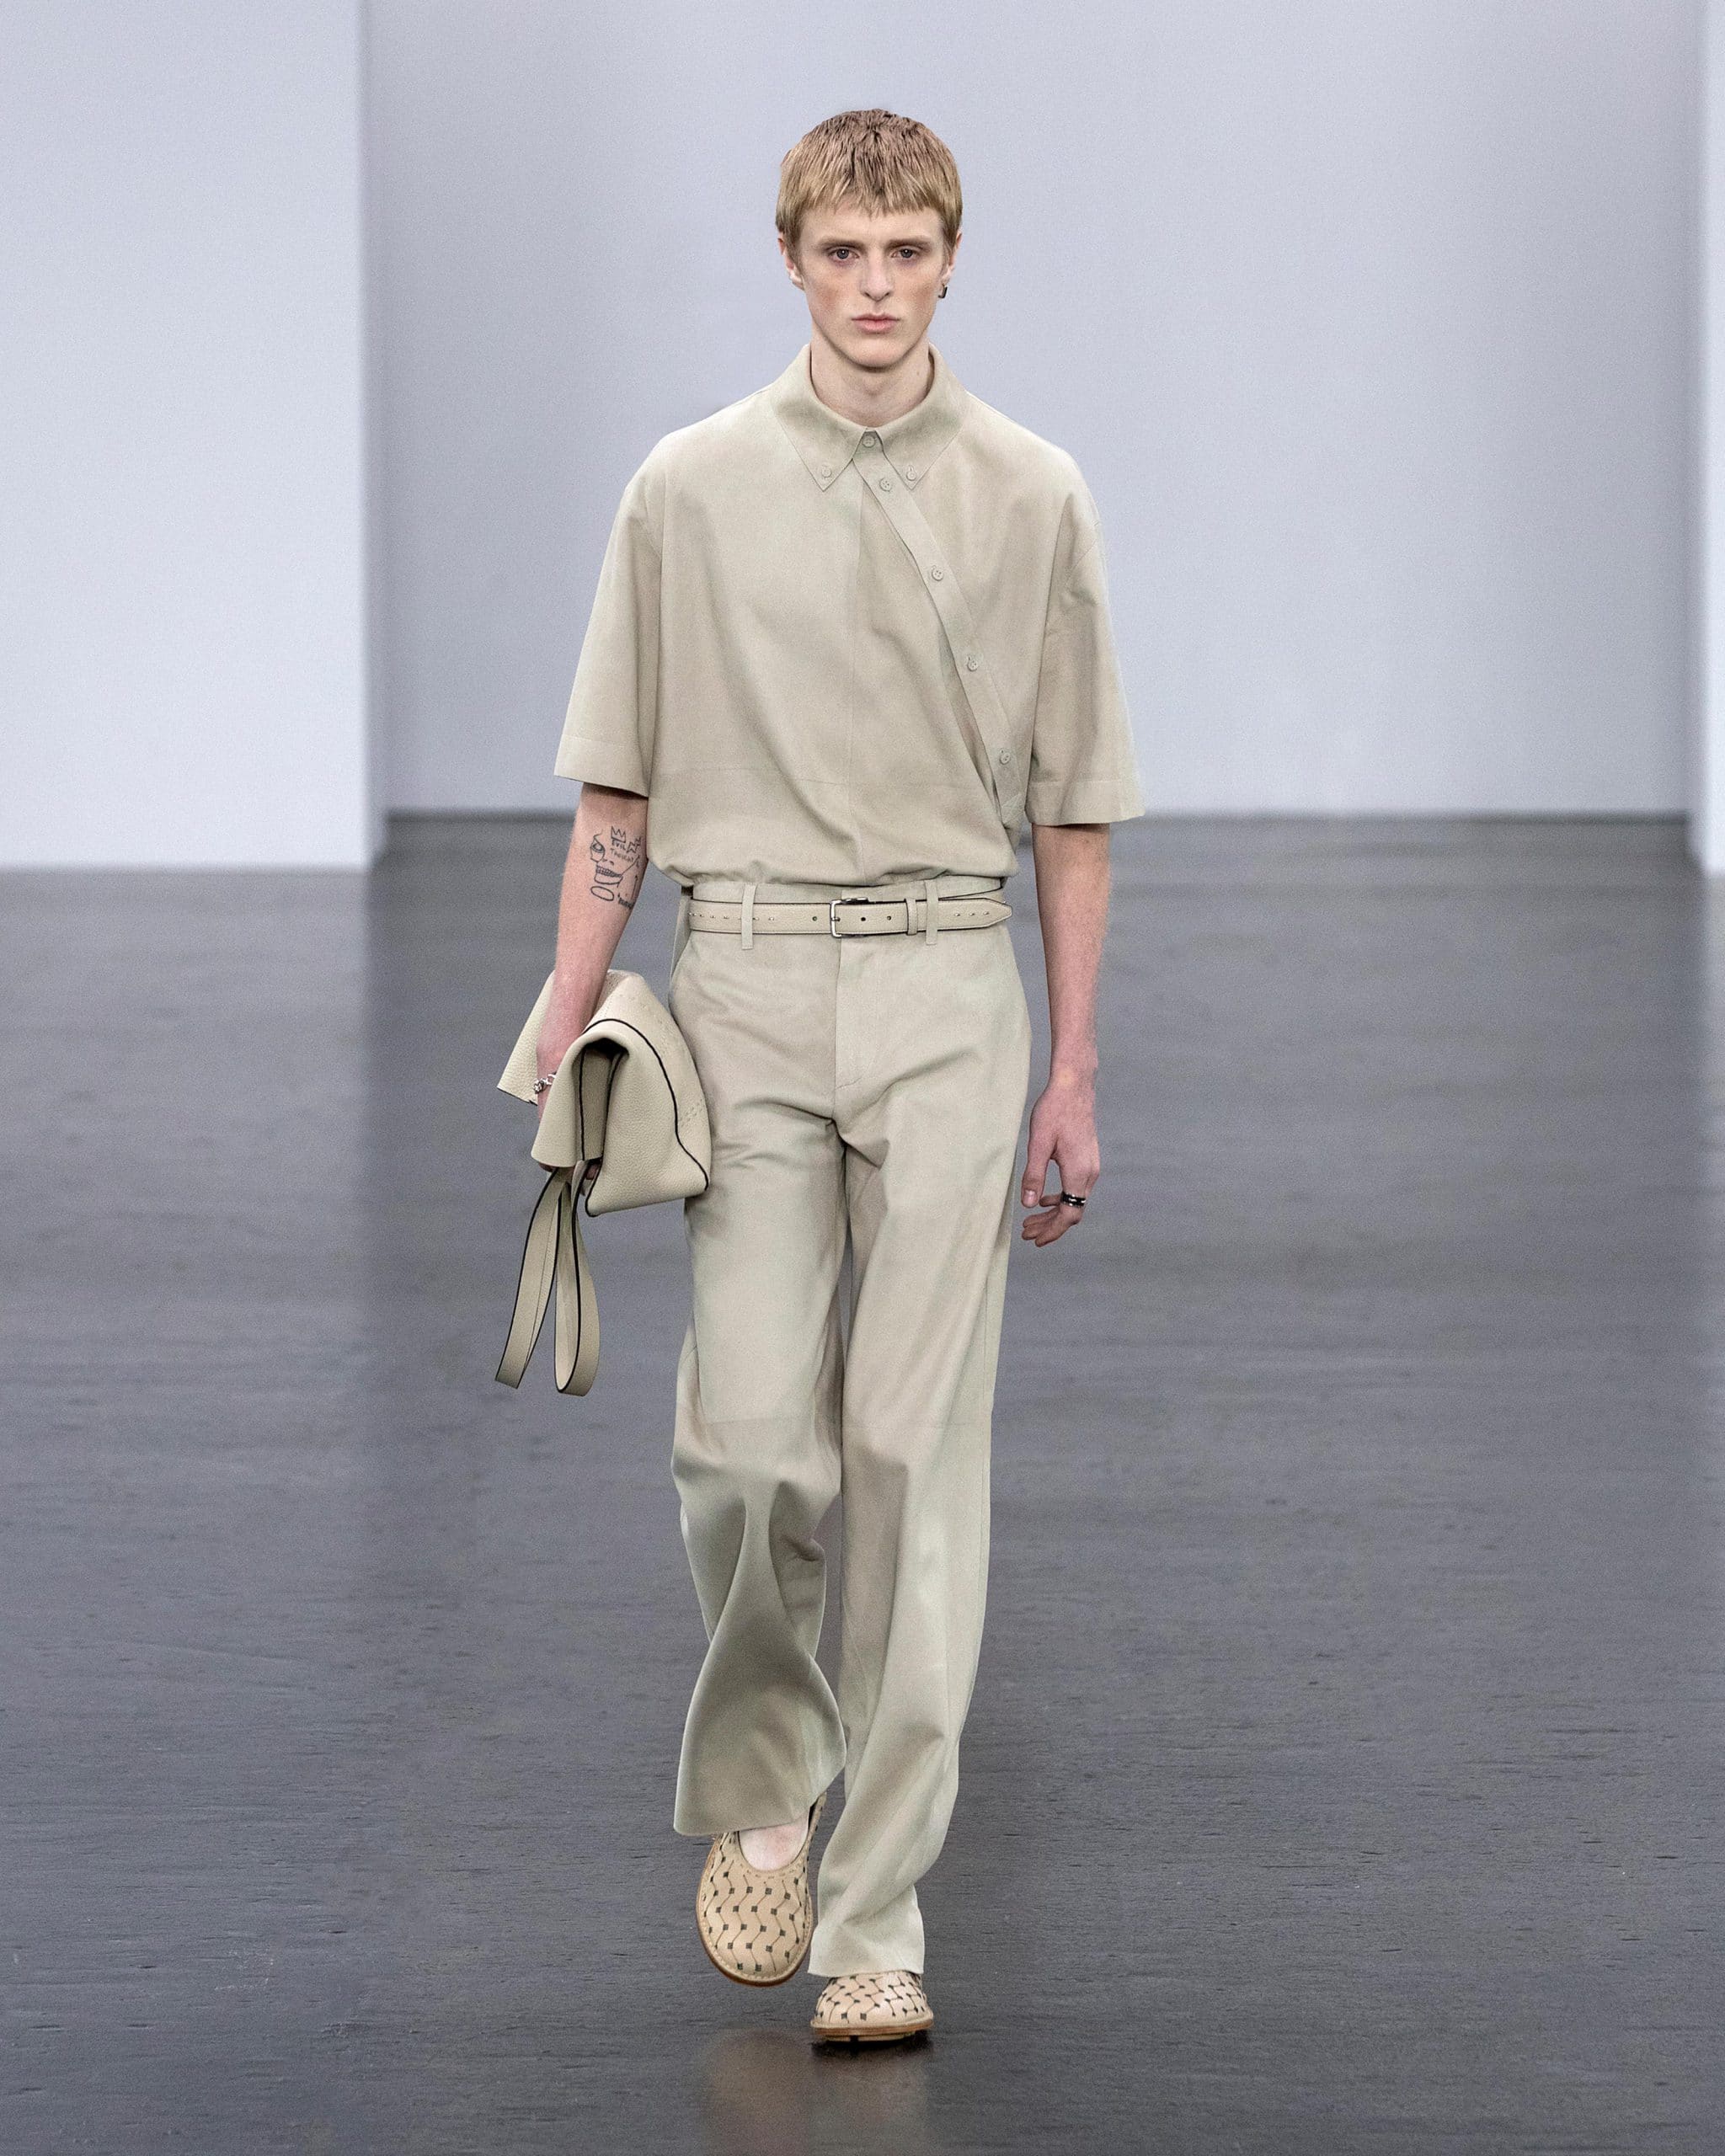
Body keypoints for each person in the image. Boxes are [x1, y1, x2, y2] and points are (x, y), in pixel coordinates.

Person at [533, 107, 1145, 2045]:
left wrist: (1074, 1064)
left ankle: (875, 1909)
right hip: (746, 976)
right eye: (842, 254)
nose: (875, 287)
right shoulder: (690, 486)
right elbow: (616, 781)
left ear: (951, 258)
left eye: (906, 252)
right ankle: (769, 1768)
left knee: (910, 1453)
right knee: (745, 1442)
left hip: (954, 983)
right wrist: (566, 1007)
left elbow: (1075, 810)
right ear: (792, 261)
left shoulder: (1033, 492)